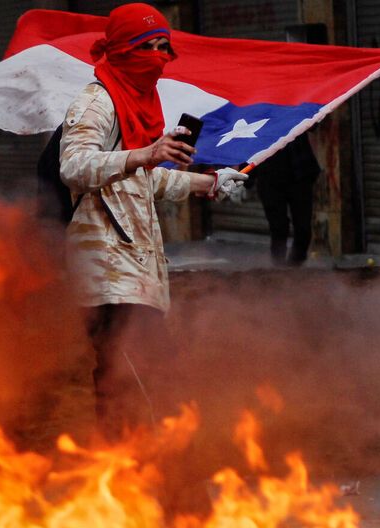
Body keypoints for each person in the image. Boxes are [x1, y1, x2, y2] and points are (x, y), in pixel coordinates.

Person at [59, 3, 247, 440]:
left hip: (136, 270)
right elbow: (74, 166)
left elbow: (142, 179)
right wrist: (147, 153)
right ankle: (129, 466)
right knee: (132, 378)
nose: (160, 57)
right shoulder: (97, 101)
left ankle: (136, 467)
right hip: (106, 272)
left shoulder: (137, 102)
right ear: (123, 48)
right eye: (148, 46)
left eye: (165, 47)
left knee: (143, 376)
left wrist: (209, 183)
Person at [252, 133, 320, 266]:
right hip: (269, 178)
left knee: (303, 226)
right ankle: (279, 267)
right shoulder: (259, 121)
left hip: (299, 175)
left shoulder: (294, 118)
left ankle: (295, 266)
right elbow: (248, 141)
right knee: (278, 226)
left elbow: (313, 124)